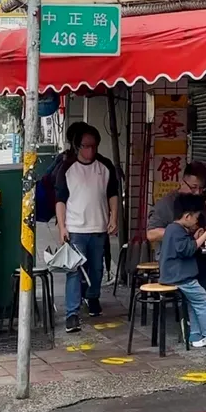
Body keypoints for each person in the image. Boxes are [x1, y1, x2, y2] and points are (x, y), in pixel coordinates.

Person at [55, 125, 119, 332]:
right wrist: (62, 227)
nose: (90, 151)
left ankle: (92, 297)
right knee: (74, 271)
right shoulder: (66, 168)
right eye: (85, 146)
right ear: (77, 146)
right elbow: (60, 200)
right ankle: (72, 314)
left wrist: (114, 217)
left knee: (97, 268)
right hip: (75, 228)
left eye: (94, 146)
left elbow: (113, 195)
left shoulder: (105, 166)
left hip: (99, 227)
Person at [159, 193, 206, 349]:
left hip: (175, 275)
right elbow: (187, 250)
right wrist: (205, 235)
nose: (197, 220)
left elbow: (184, 246)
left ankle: (196, 336)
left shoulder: (173, 229)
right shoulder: (177, 230)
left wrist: (195, 237)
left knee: (193, 303)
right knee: (204, 299)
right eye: (196, 217)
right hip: (181, 277)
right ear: (187, 216)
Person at [147, 162, 206, 253]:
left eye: (201, 189)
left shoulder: (199, 201)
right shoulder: (165, 204)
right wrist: (181, 232)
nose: (197, 192)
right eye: (194, 187)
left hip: (197, 254)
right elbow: (151, 234)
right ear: (182, 183)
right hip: (172, 257)